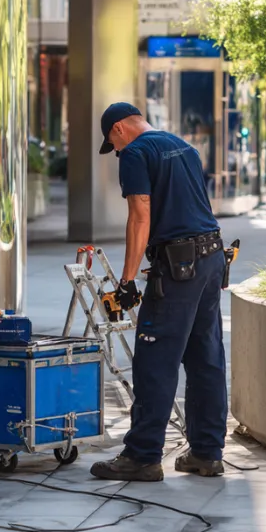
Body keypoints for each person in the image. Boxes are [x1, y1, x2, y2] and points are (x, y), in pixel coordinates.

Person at [90, 103, 228, 482]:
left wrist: (127, 280)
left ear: (119, 129)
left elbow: (140, 215)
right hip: (211, 257)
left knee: (155, 359)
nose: (115, 151)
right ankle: (206, 453)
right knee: (205, 357)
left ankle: (143, 455)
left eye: (111, 144)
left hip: (179, 267)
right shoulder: (184, 147)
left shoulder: (135, 153)